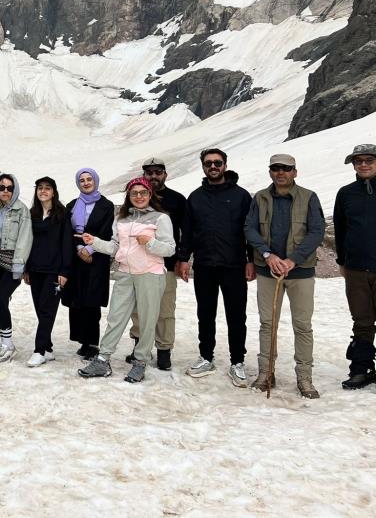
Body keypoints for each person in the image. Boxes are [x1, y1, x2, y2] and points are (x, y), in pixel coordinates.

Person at [78, 177, 176, 383]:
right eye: (134, 193)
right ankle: (103, 359)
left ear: (150, 195)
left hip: (150, 274)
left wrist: (150, 242)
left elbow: (169, 249)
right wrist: (94, 242)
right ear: (129, 197)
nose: (139, 196)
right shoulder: (121, 219)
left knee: (148, 320)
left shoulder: (161, 218)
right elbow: (115, 247)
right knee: (116, 317)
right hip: (124, 274)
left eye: (143, 192)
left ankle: (140, 362)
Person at [244, 154, 324, 398]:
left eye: (286, 169)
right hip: (268, 270)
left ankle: (304, 378)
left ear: (295, 172)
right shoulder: (260, 197)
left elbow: (317, 230)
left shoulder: (309, 197)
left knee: (302, 325)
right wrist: (268, 255)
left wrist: (292, 260)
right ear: (270, 172)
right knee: (268, 324)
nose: (281, 173)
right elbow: (250, 228)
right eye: (276, 168)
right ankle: (266, 373)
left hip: (300, 271)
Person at [177, 148, 254, 386]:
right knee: (205, 313)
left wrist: (251, 260)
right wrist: (183, 258)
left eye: (217, 163)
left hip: (234, 265)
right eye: (208, 163)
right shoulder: (196, 197)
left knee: (236, 315)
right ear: (203, 166)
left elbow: (250, 231)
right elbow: (188, 232)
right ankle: (206, 356)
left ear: (225, 165)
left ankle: (237, 361)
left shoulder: (242, 196)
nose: (213, 166)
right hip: (205, 264)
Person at [125, 158, 187, 371]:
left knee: (165, 308)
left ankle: (163, 349)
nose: (153, 176)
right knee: (138, 308)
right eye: (149, 172)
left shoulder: (177, 200)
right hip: (137, 264)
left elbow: (185, 232)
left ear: (165, 174)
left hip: (166, 264)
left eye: (158, 172)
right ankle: (139, 345)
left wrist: (182, 258)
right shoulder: (136, 200)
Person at [335, 143, 376, 389]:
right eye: (358, 161)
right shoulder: (346, 193)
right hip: (357, 269)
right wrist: (342, 261)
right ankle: (361, 369)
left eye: (369, 160)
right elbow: (340, 229)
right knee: (362, 321)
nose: (363, 164)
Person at [62, 168, 114, 360]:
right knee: (77, 299)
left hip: (96, 258)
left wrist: (90, 249)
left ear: (96, 180)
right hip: (75, 257)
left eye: (89, 179)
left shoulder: (106, 205)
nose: (85, 183)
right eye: (81, 180)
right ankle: (82, 340)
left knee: (91, 300)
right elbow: (67, 230)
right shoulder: (72, 205)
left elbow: (107, 231)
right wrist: (78, 249)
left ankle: (92, 342)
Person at [23, 177, 73, 367]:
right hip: (35, 269)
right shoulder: (32, 214)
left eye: (47, 188)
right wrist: (27, 268)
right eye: (40, 188)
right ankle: (49, 347)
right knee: (40, 309)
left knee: (47, 309)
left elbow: (67, 244)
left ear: (54, 192)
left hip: (54, 271)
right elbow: (27, 242)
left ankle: (40, 350)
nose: (43, 191)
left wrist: (65, 271)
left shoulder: (62, 214)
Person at [0, 173, 33, 364]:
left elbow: (25, 238)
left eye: (9, 188)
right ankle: (4, 342)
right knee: (1, 301)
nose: (5, 191)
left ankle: (8, 344)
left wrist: (19, 266)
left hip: (13, 261)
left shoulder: (21, 210)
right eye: (1, 187)